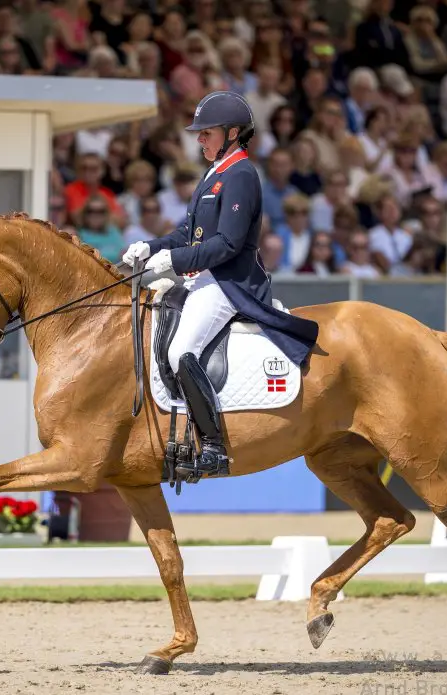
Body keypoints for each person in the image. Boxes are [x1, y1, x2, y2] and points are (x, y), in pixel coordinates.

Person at [122, 90, 320, 475]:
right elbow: (187, 233)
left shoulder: (242, 174)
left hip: (230, 283)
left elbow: (227, 244)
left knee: (181, 351)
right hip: (204, 278)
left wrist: (174, 261)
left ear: (232, 133)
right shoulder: (214, 173)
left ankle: (213, 447)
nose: (199, 139)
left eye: (206, 133)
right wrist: (151, 247)